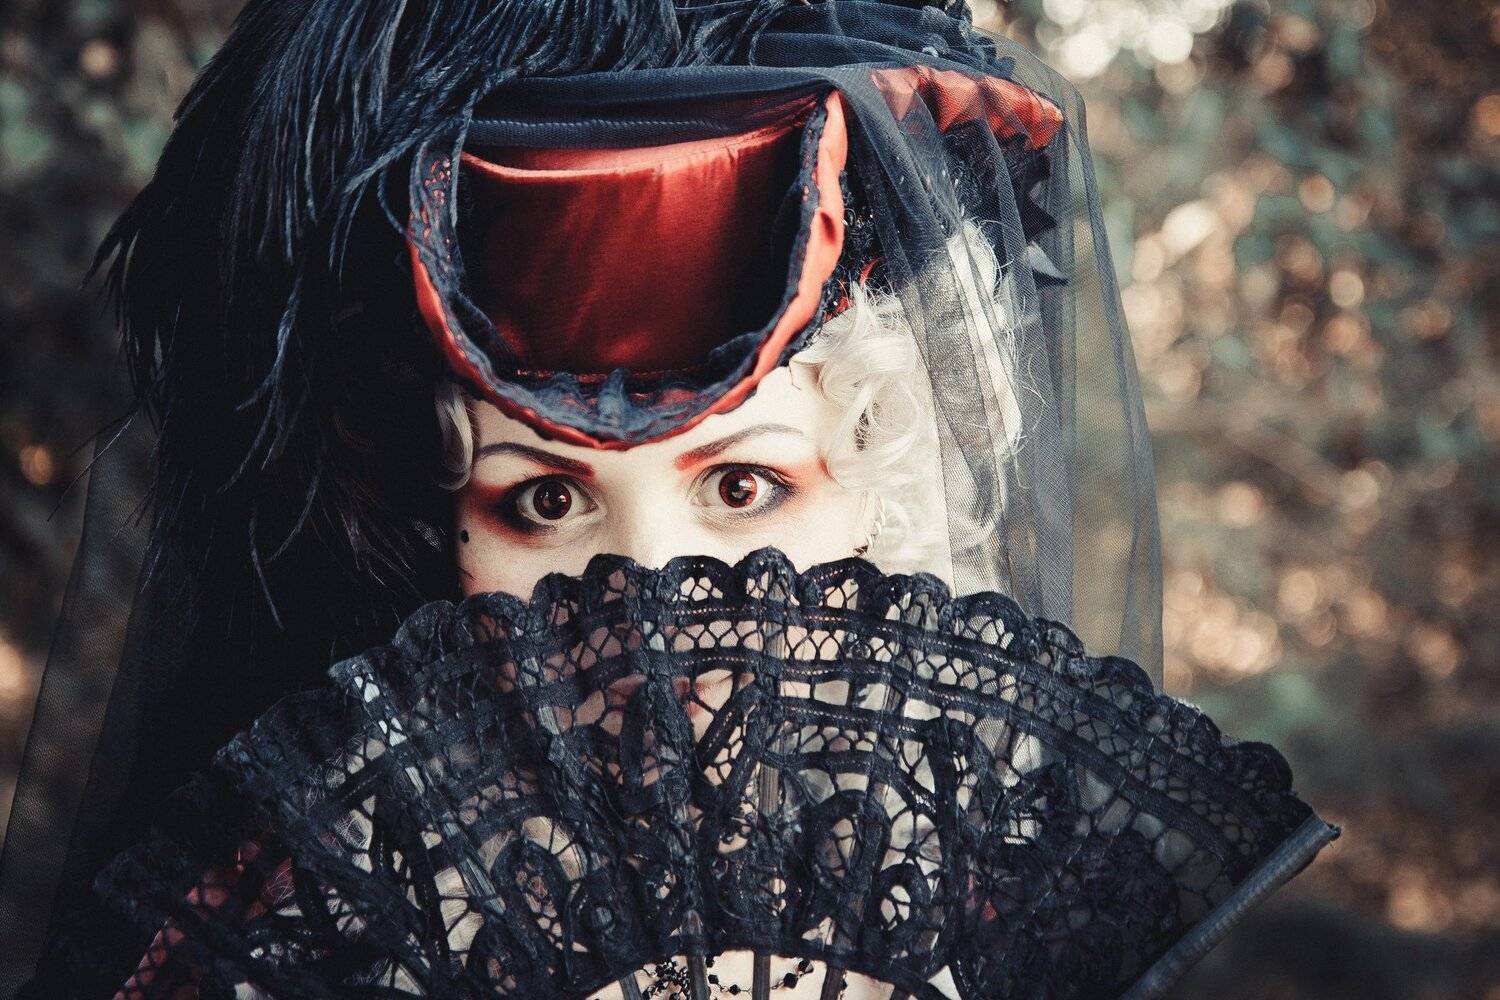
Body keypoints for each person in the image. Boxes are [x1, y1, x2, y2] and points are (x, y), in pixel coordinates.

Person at [0, 1, 1336, 997]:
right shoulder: (314, 919)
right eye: (543, 505)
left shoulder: (994, 911)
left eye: (744, 486)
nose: (651, 611)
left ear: (881, 497)